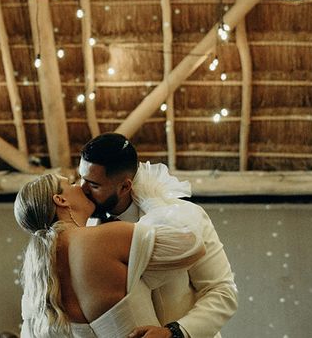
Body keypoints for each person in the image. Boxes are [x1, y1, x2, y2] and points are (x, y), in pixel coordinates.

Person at [78, 133, 238, 338]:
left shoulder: (186, 217)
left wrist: (175, 333)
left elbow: (223, 291)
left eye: (93, 185)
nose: (82, 190)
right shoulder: (87, 230)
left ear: (125, 186)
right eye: (82, 178)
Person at [14, 170, 206, 337]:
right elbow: (192, 244)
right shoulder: (105, 237)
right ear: (61, 200)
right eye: (71, 183)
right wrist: (150, 200)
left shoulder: (36, 281)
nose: (81, 186)